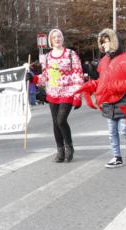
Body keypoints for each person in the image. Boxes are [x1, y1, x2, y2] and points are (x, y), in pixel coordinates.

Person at [76, 28, 126, 168]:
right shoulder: (104, 61)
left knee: (124, 129)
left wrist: (117, 86)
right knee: (112, 132)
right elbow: (103, 81)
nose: (104, 45)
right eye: (102, 42)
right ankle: (116, 157)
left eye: (106, 41)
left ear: (114, 41)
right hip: (109, 101)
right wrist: (91, 86)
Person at [31, 29, 84, 163]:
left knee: (61, 120)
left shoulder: (71, 54)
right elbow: (45, 76)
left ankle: (69, 147)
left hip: (68, 92)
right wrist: (33, 78)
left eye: (59, 36)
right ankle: (60, 150)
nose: (57, 39)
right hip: (53, 93)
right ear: (51, 40)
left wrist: (78, 96)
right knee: (55, 123)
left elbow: (78, 75)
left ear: (63, 38)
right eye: (54, 37)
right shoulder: (47, 57)